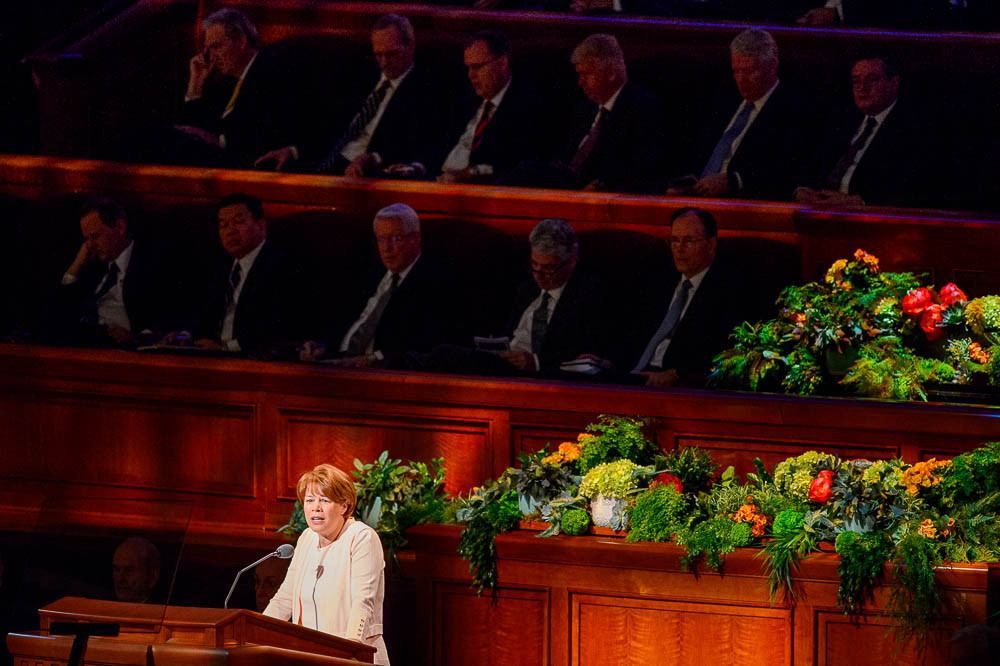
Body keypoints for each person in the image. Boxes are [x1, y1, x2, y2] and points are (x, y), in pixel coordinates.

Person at [256, 14, 443, 178]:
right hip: (326, 161)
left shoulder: (427, 88)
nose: (384, 63)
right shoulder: (360, 75)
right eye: (378, 55)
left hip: (369, 174)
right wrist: (293, 150)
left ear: (410, 45)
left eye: (391, 54)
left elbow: (419, 144)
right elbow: (330, 124)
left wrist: (375, 158)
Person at [503, 33, 668, 193]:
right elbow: (567, 155)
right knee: (523, 168)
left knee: (524, 172)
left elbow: (642, 166)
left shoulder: (642, 107)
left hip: (599, 187)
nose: (580, 82)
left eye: (586, 74)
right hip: (569, 181)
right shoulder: (586, 107)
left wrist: (603, 183)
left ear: (611, 74)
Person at [299, 204, 455, 367]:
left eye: (396, 239)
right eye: (381, 239)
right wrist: (322, 345)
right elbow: (344, 318)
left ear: (416, 239)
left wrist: (375, 358)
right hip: (336, 362)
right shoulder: (366, 271)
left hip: (383, 369)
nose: (386, 249)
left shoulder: (435, 281)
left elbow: (426, 342)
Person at [263, 464, 388, 665]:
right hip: (309, 655)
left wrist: (351, 651)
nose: (315, 507)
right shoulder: (307, 538)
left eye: (324, 500)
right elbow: (284, 599)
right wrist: (257, 634)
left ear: (344, 505)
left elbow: (363, 602)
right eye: (310, 500)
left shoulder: (361, 538)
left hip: (353, 657)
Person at [666, 29, 811, 201]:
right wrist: (686, 182)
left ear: (772, 65)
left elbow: (784, 170)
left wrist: (734, 181)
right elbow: (695, 150)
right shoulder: (723, 100)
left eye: (750, 71)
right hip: (695, 197)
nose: (741, 80)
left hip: (741, 202)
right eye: (736, 71)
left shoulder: (794, 110)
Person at [618, 208, 755, 388]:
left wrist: (677, 373)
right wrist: (608, 361)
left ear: (711, 243)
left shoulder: (730, 288)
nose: (679, 249)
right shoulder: (657, 279)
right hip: (634, 375)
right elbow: (633, 329)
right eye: (674, 240)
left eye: (688, 241)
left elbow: (724, 349)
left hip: (678, 382)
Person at [164, 193, 301, 355]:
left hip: (249, 359)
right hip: (209, 354)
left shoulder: (280, 266)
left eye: (238, 222)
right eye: (223, 225)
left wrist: (225, 349)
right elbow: (201, 313)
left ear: (261, 226)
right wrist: (185, 335)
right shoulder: (219, 265)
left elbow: (275, 327)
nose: (230, 231)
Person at [794, 56, 933, 207]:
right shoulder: (840, 120)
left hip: (870, 220)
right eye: (856, 81)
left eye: (872, 79)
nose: (862, 87)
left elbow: (914, 189)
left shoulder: (915, 129)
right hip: (818, 212)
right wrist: (801, 189)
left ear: (894, 82)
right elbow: (810, 164)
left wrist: (860, 203)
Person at [175, 9, 294, 168]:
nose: (212, 56)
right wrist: (195, 85)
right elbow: (194, 130)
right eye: (208, 50)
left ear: (241, 41)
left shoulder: (272, 69)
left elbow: (264, 132)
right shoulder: (226, 83)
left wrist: (219, 141)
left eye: (216, 46)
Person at [44, 198, 169, 348]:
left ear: (120, 227)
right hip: (81, 338)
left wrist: (135, 337)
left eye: (95, 236)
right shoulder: (91, 262)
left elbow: (167, 317)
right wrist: (75, 267)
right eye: (86, 238)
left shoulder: (152, 261)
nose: (89, 245)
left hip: (118, 345)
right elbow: (57, 312)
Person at [434, 30, 555, 184]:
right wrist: (417, 167)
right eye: (468, 68)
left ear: (502, 63)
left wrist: (472, 173)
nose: (471, 75)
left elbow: (515, 164)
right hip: (437, 181)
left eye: (477, 67)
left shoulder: (527, 106)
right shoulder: (464, 99)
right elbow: (439, 145)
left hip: (480, 190)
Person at [112, 537, 160, 604]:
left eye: (129, 570)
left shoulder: (168, 610)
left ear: (152, 576)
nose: (120, 578)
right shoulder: (101, 605)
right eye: (117, 569)